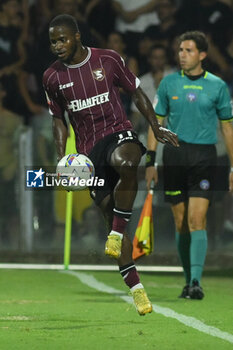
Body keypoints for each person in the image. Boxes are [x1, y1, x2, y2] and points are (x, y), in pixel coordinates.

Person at [43, 14, 178, 315]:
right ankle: (136, 288)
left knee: (127, 162)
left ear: (77, 36)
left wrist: (155, 128)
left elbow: (137, 93)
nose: (58, 46)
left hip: (118, 131)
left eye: (62, 39)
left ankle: (117, 233)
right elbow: (57, 120)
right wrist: (62, 159)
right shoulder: (52, 77)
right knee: (108, 210)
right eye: (53, 41)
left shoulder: (108, 60)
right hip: (88, 149)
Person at [146, 31, 233, 300]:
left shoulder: (217, 86)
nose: (182, 55)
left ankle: (196, 281)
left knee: (198, 219)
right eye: (180, 50)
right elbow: (155, 124)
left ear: (203, 55)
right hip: (174, 158)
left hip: (205, 159)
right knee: (181, 222)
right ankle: (188, 280)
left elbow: (228, 130)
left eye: (189, 50)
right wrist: (151, 160)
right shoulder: (168, 84)